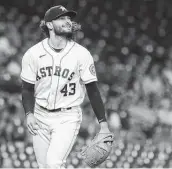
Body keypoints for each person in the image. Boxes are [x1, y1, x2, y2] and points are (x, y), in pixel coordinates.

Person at [20, 5, 112, 168]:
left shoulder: (81, 54)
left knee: (54, 163)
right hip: (40, 115)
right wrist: (29, 113)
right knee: (44, 166)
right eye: (62, 18)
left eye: (69, 18)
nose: (68, 21)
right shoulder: (33, 54)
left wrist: (103, 124)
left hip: (67, 117)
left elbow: (93, 90)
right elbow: (27, 88)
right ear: (49, 24)